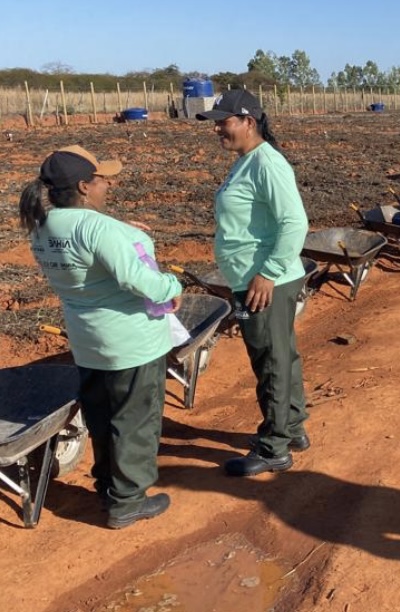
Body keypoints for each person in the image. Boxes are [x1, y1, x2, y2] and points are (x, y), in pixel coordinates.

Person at [19, 145, 183, 528]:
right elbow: (136, 280)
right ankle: (127, 501)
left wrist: (120, 232)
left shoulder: (43, 227)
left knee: (102, 416)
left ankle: (107, 484)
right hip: (131, 343)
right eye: (101, 179)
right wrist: (171, 285)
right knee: (135, 420)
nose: (107, 184)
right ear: (83, 185)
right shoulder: (99, 228)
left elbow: (87, 245)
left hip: (89, 343)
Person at [196, 88, 311, 477]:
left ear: (248, 122)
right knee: (280, 353)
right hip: (256, 278)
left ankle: (275, 445)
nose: (218, 131)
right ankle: (291, 427)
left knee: (271, 360)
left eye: (224, 122)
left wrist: (267, 273)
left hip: (267, 282)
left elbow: (295, 223)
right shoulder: (246, 161)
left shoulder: (267, 163)